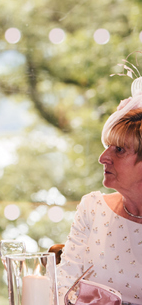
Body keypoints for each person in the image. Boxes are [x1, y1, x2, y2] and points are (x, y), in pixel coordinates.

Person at [57, 103, 142, 304]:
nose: (103, 158)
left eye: (119, 150)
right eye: (107, 148)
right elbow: (63, 286)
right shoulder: (92, 209)